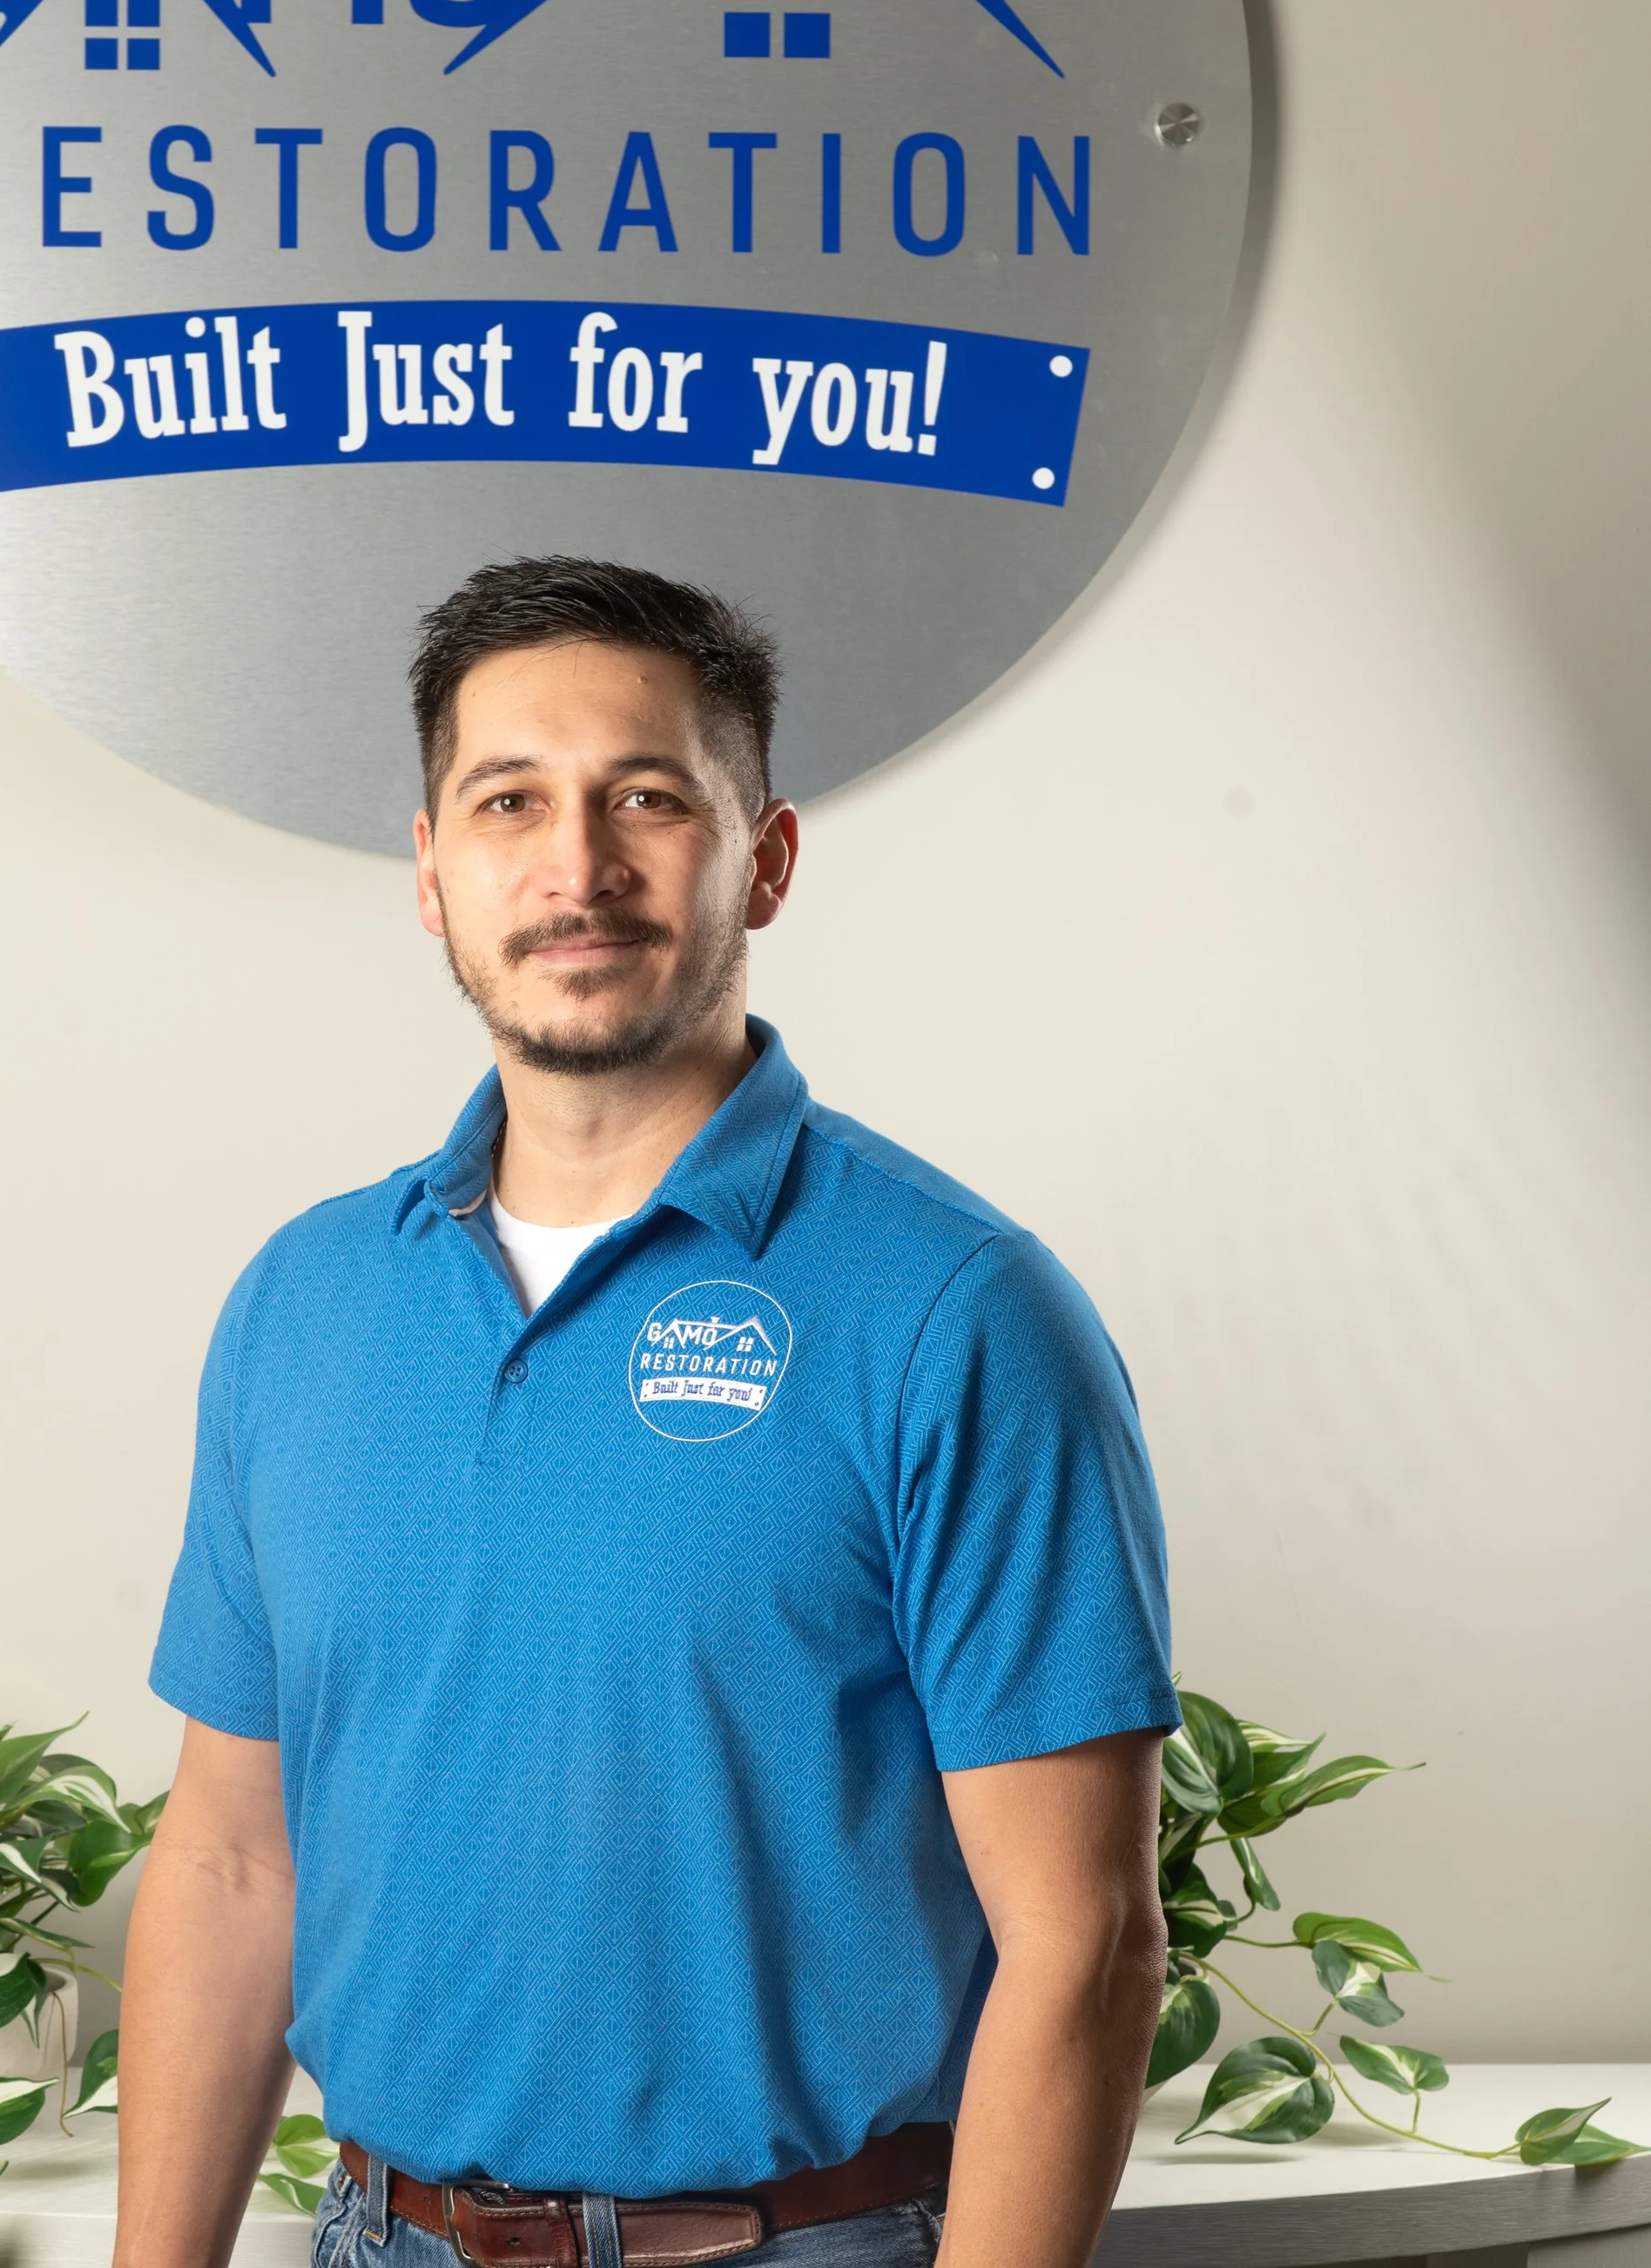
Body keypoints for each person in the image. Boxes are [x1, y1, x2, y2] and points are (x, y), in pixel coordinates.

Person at [120, 557, 1176, 2268]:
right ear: (428, 869)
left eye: (647, 797)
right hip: (374, 2235)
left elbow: (1084, 1939)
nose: (574, 866)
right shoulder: (302, 1305)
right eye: (506, 800)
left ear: (760, 856)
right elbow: (233, 1863)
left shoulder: (956, 1312)